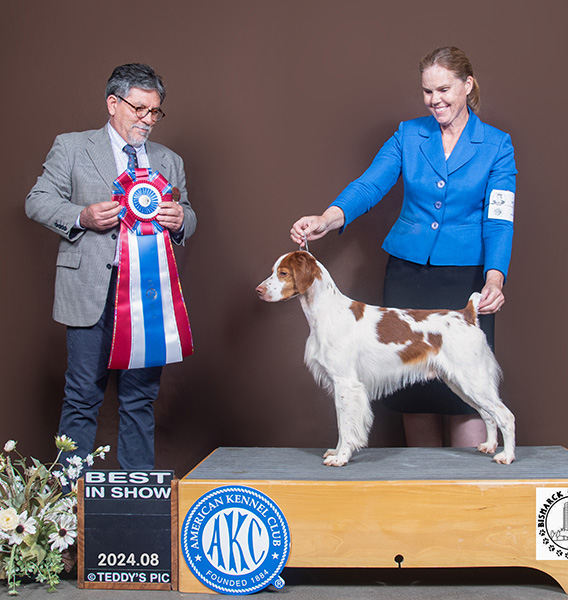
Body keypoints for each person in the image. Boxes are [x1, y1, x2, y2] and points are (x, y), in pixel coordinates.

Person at [290, 47, 516, 449]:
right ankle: (420, 478)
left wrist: (494, 278)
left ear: (467, 85)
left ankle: (472, 479)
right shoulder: (408, 135)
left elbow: (499, 218)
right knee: (414, 396)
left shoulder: (497, 145)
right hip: (407, 274)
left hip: (465, 278)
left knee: (464, 395)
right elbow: (370, 185)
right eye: (427, 92)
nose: (435, 100)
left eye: (444, 90)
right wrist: (327, 217)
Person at [25, 63, 197, 469]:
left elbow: (188, 213)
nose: (147, 119)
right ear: (112, 103)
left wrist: (180, 220)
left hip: (148, 296)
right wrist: (81, 216)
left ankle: (138, 493)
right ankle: (69, 496)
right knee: (82, 395)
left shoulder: (169, 160)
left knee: (140, 398)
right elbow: (37, 200)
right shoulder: (71, 147)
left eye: (155, 111)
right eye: (139, 109)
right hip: (90, 290)